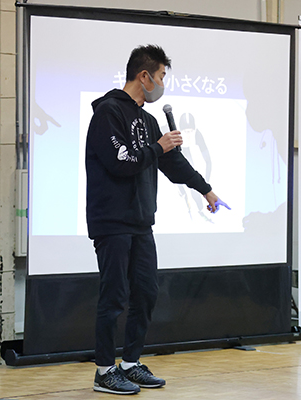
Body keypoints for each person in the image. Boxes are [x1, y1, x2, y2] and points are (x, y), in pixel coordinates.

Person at [86, 44, 229, 395]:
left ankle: (131, 363)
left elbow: (173, 165)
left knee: (146, 293)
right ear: (144, 75)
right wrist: (159, 147)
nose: (163, 84)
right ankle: (105, 370)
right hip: (112, 222)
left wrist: (206, 190)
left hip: (140, 223)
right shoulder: (107, 112)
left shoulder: (149, 121)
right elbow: (122, 162)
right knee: (114, 296)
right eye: (162, 76)